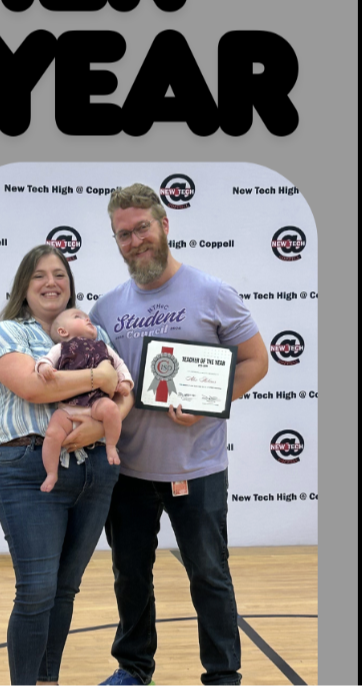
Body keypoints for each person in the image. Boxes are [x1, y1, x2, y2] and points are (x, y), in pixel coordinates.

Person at [89, 183, 269, 686]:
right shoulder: (105, 310)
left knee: (210, 574)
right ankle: (133, 668)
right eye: (123, 234)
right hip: (128, 472)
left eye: (142, 227)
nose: (135, 240)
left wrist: (213, 402)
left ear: (164, 225)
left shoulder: (212, 292)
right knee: (130, 576)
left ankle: (222, 673)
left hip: (199, 468)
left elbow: (257, 361)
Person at [0, 245, 127, 686]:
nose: (51, 282)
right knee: (37, 591)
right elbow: (32, 387)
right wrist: (96, 378)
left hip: (95, 469)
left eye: (59, 274)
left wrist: (102, 429)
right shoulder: (8, 333)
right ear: (24, 286)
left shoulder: (94, 332)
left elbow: (125, 392)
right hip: (28, 469)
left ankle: (49, 681)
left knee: (65, 589)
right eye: (40, 275)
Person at [36, 308, 132, 492]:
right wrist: (44, 368)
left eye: (88, 318)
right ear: (63, 332)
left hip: (97, 403)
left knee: (111, 409)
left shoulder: (103, 346)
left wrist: (126, 383)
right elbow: (45, 360)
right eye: (78, 317)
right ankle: (51, 472)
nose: (88, 319)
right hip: (68, 407)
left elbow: (120, 365)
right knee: (53, 434)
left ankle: (111, 446)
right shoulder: (60, 348)